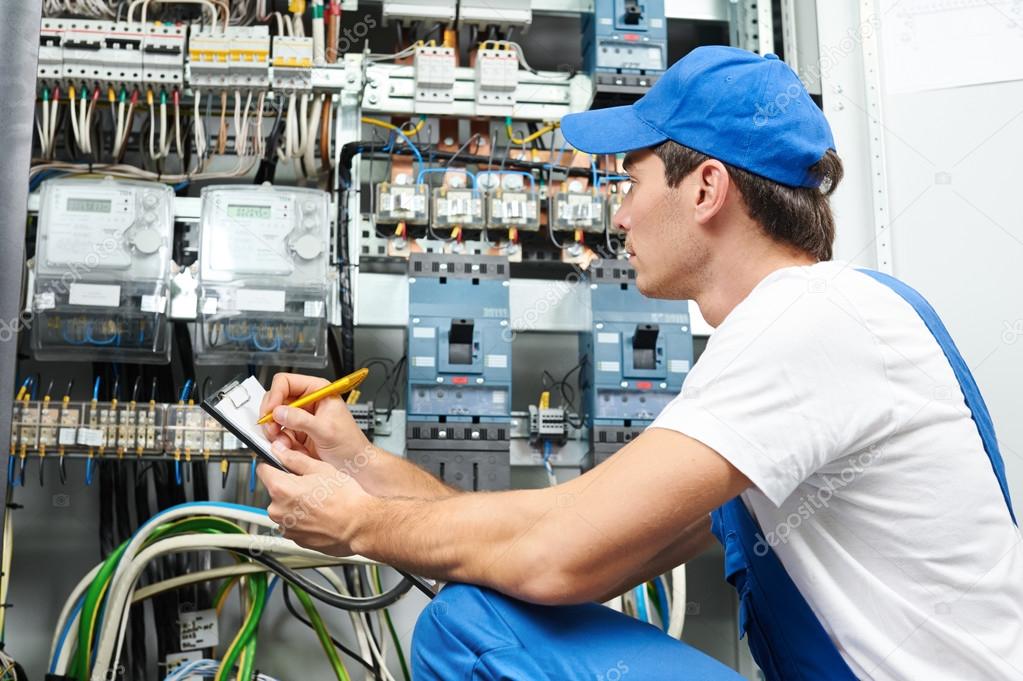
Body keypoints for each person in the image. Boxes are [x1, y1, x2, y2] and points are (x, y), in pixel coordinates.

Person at [256, 46, 1023, 680]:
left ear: (705, 189)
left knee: (469, 626)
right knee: (486, 606)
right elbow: (574, 540)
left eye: (630, 179)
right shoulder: (809, 330)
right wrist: (358, 464)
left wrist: (358, 524)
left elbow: (552, 554)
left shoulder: (807, 321)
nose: (618, 214)